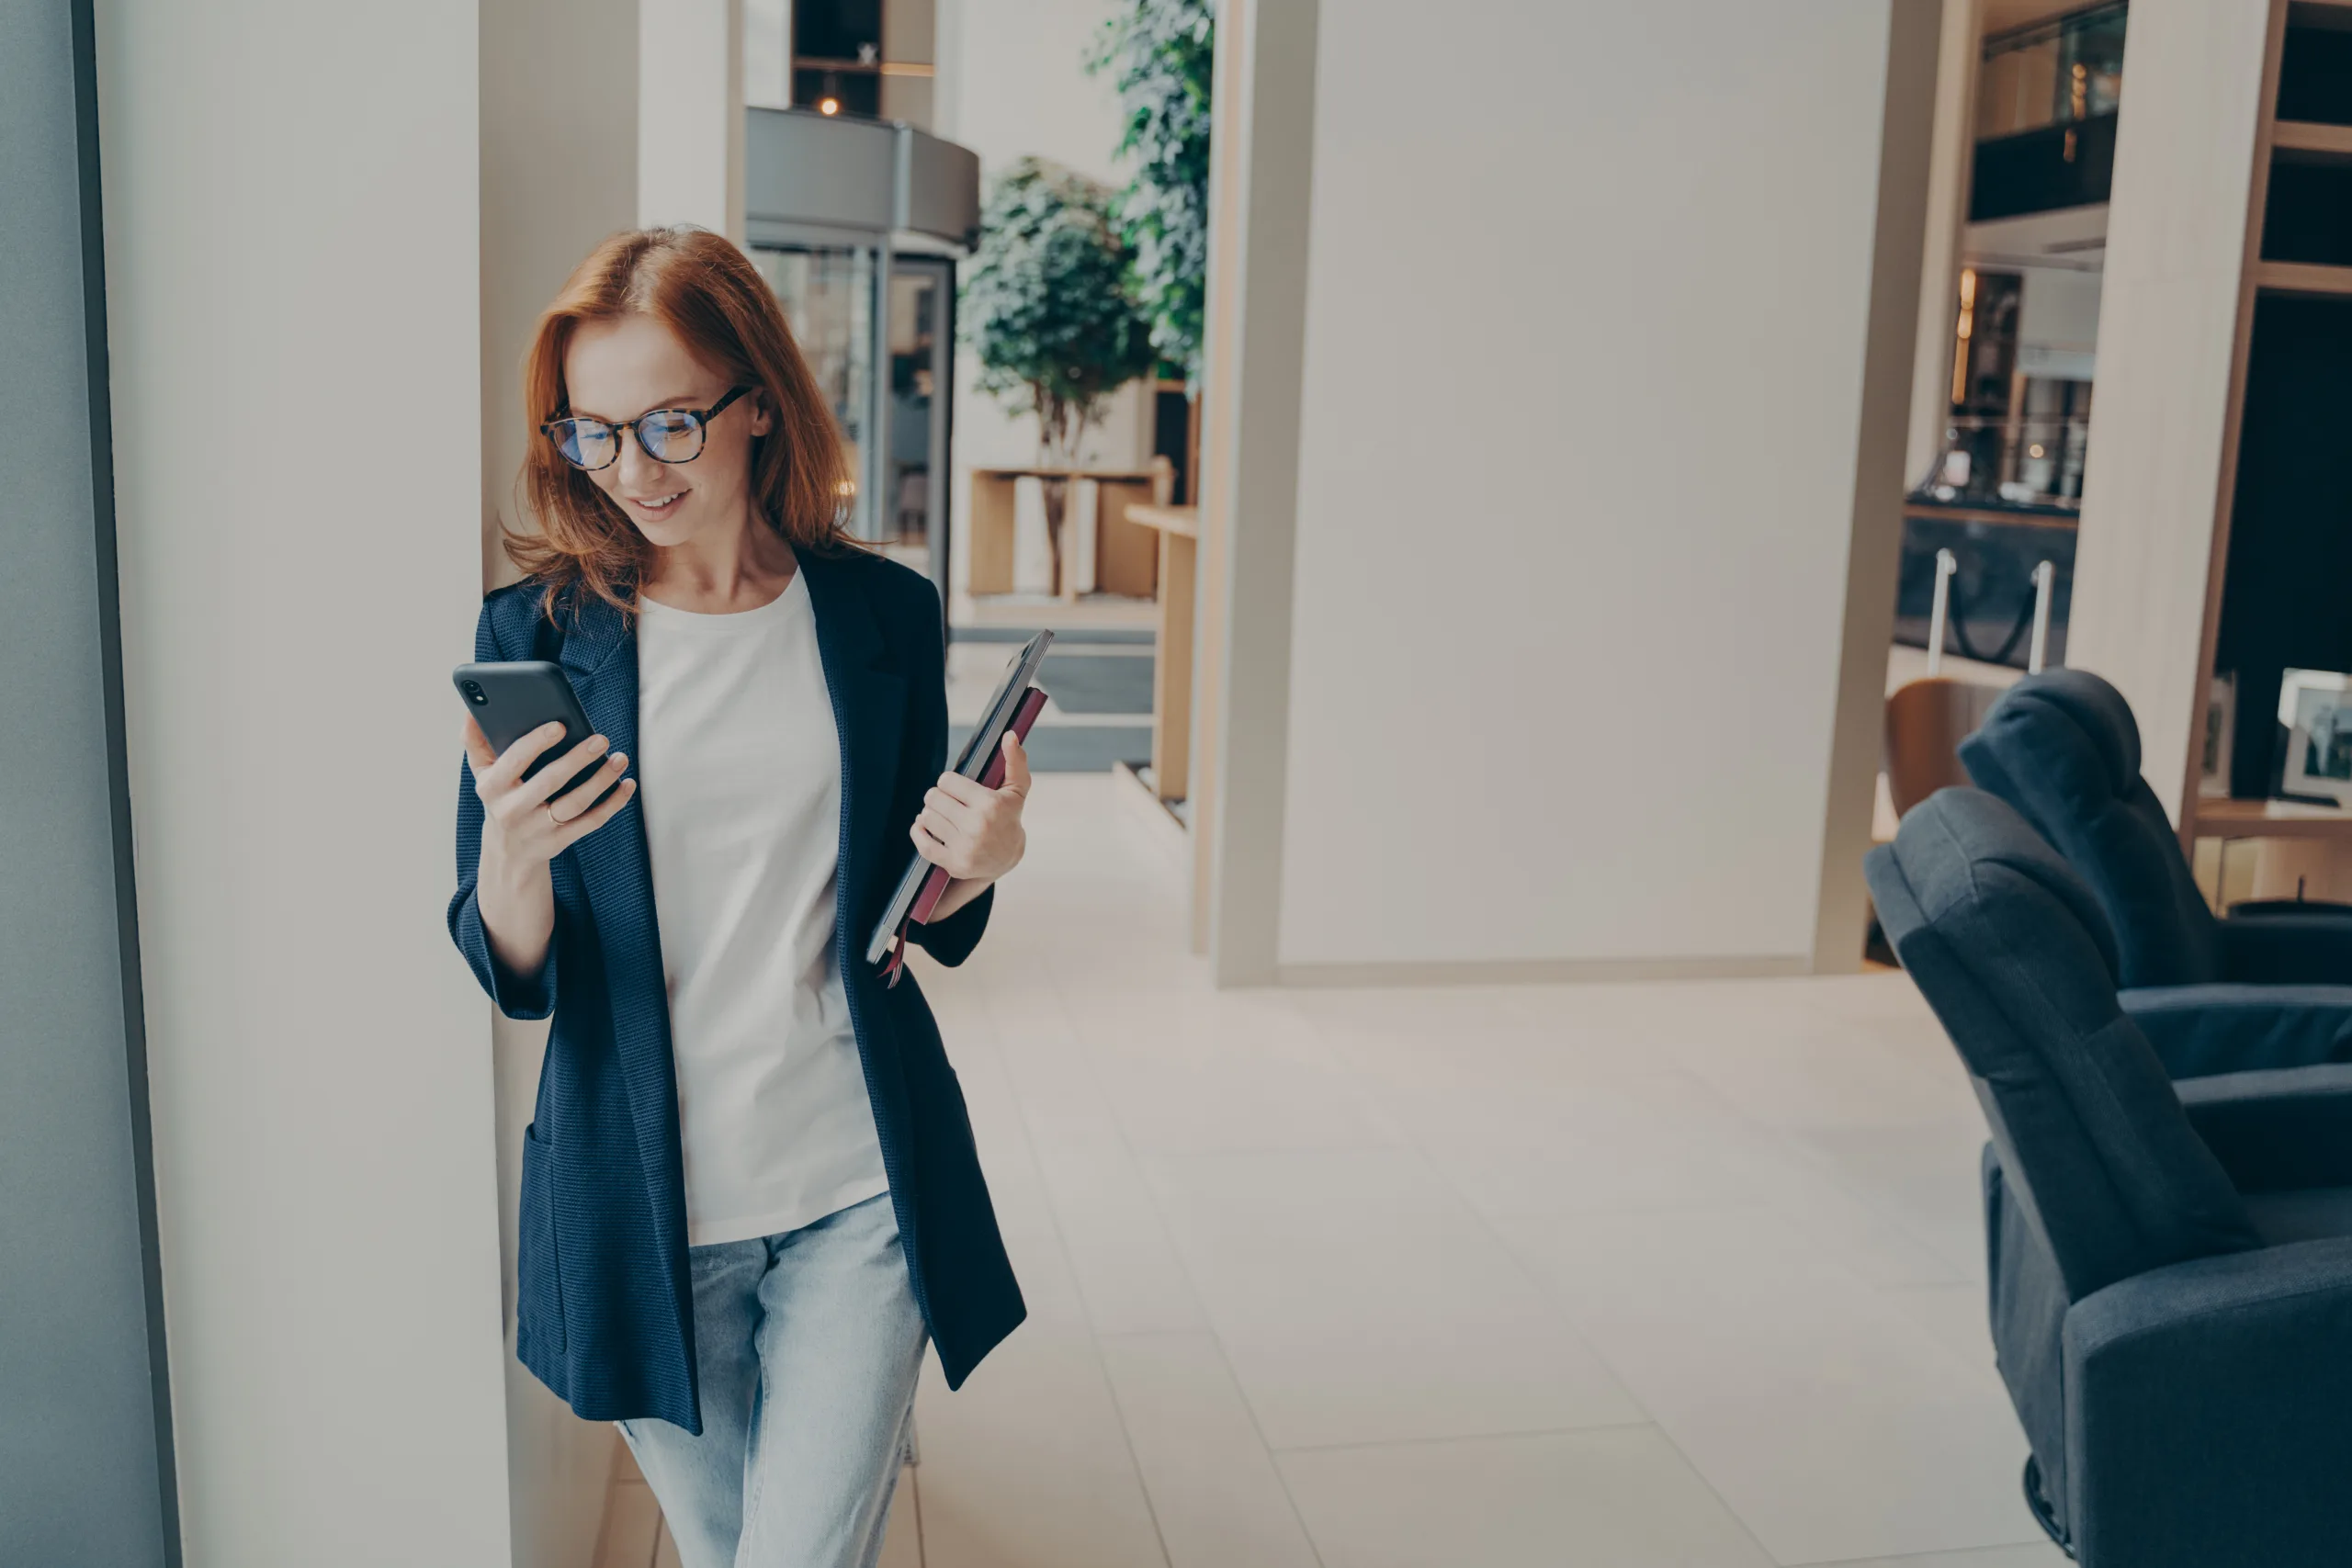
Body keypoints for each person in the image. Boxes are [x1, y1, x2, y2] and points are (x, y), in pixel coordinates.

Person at [447, 227, 1028, 1568]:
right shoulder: (533, 637)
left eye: (669, 423)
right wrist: (513, 858)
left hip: (856, 1179)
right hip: (644, 1202)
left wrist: (975, 862)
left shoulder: (881, 611)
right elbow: (511, 966)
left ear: (760, 402)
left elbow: (914, 900)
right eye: (592, 433)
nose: (633, 471)